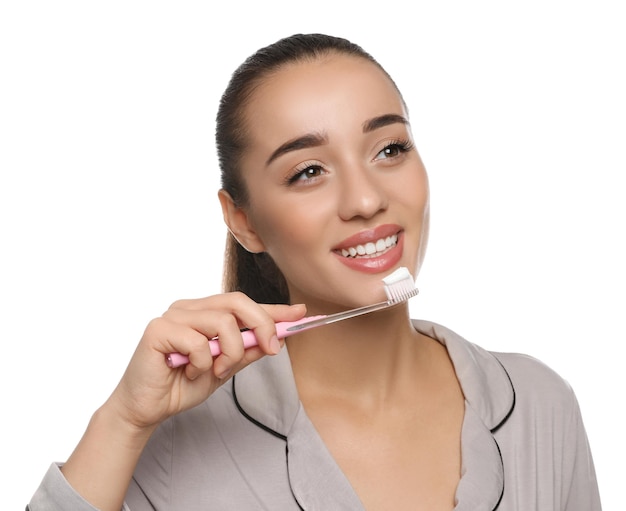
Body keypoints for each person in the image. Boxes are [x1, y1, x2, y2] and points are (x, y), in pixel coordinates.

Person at [27, 33, 601, 511]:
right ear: (244, 221)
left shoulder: (541, 405)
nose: (365, 199)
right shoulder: (175, 441)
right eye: (308, 171)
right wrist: (123, 421)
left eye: (389, 149)